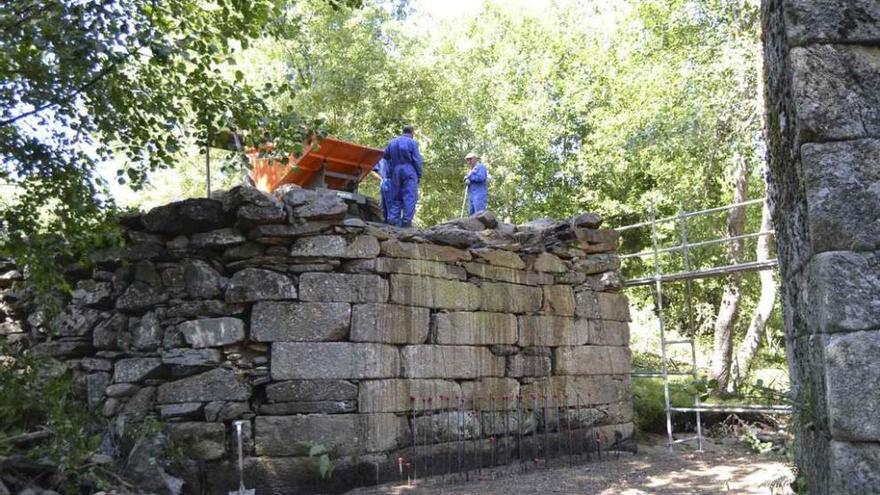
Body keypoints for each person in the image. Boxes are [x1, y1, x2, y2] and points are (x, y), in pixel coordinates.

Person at [383, 125, 423, 227]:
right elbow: (417, 160)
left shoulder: (392, 142)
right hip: (409, 170)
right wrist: (419, 174)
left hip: (396, 171)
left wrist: (390, 172)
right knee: (409, 196)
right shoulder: (412, 143)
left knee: (396, 197)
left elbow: (385, 156)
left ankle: (392, 220)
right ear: (412, 133)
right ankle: (406, 222)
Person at [371, 157, 391, 222]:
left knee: (392, 205)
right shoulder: (381, 159)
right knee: (384, 204)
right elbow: (372, 171)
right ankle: (386, 221)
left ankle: (391, 222)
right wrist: (381, 179)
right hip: (385, 182)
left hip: (393, 182)